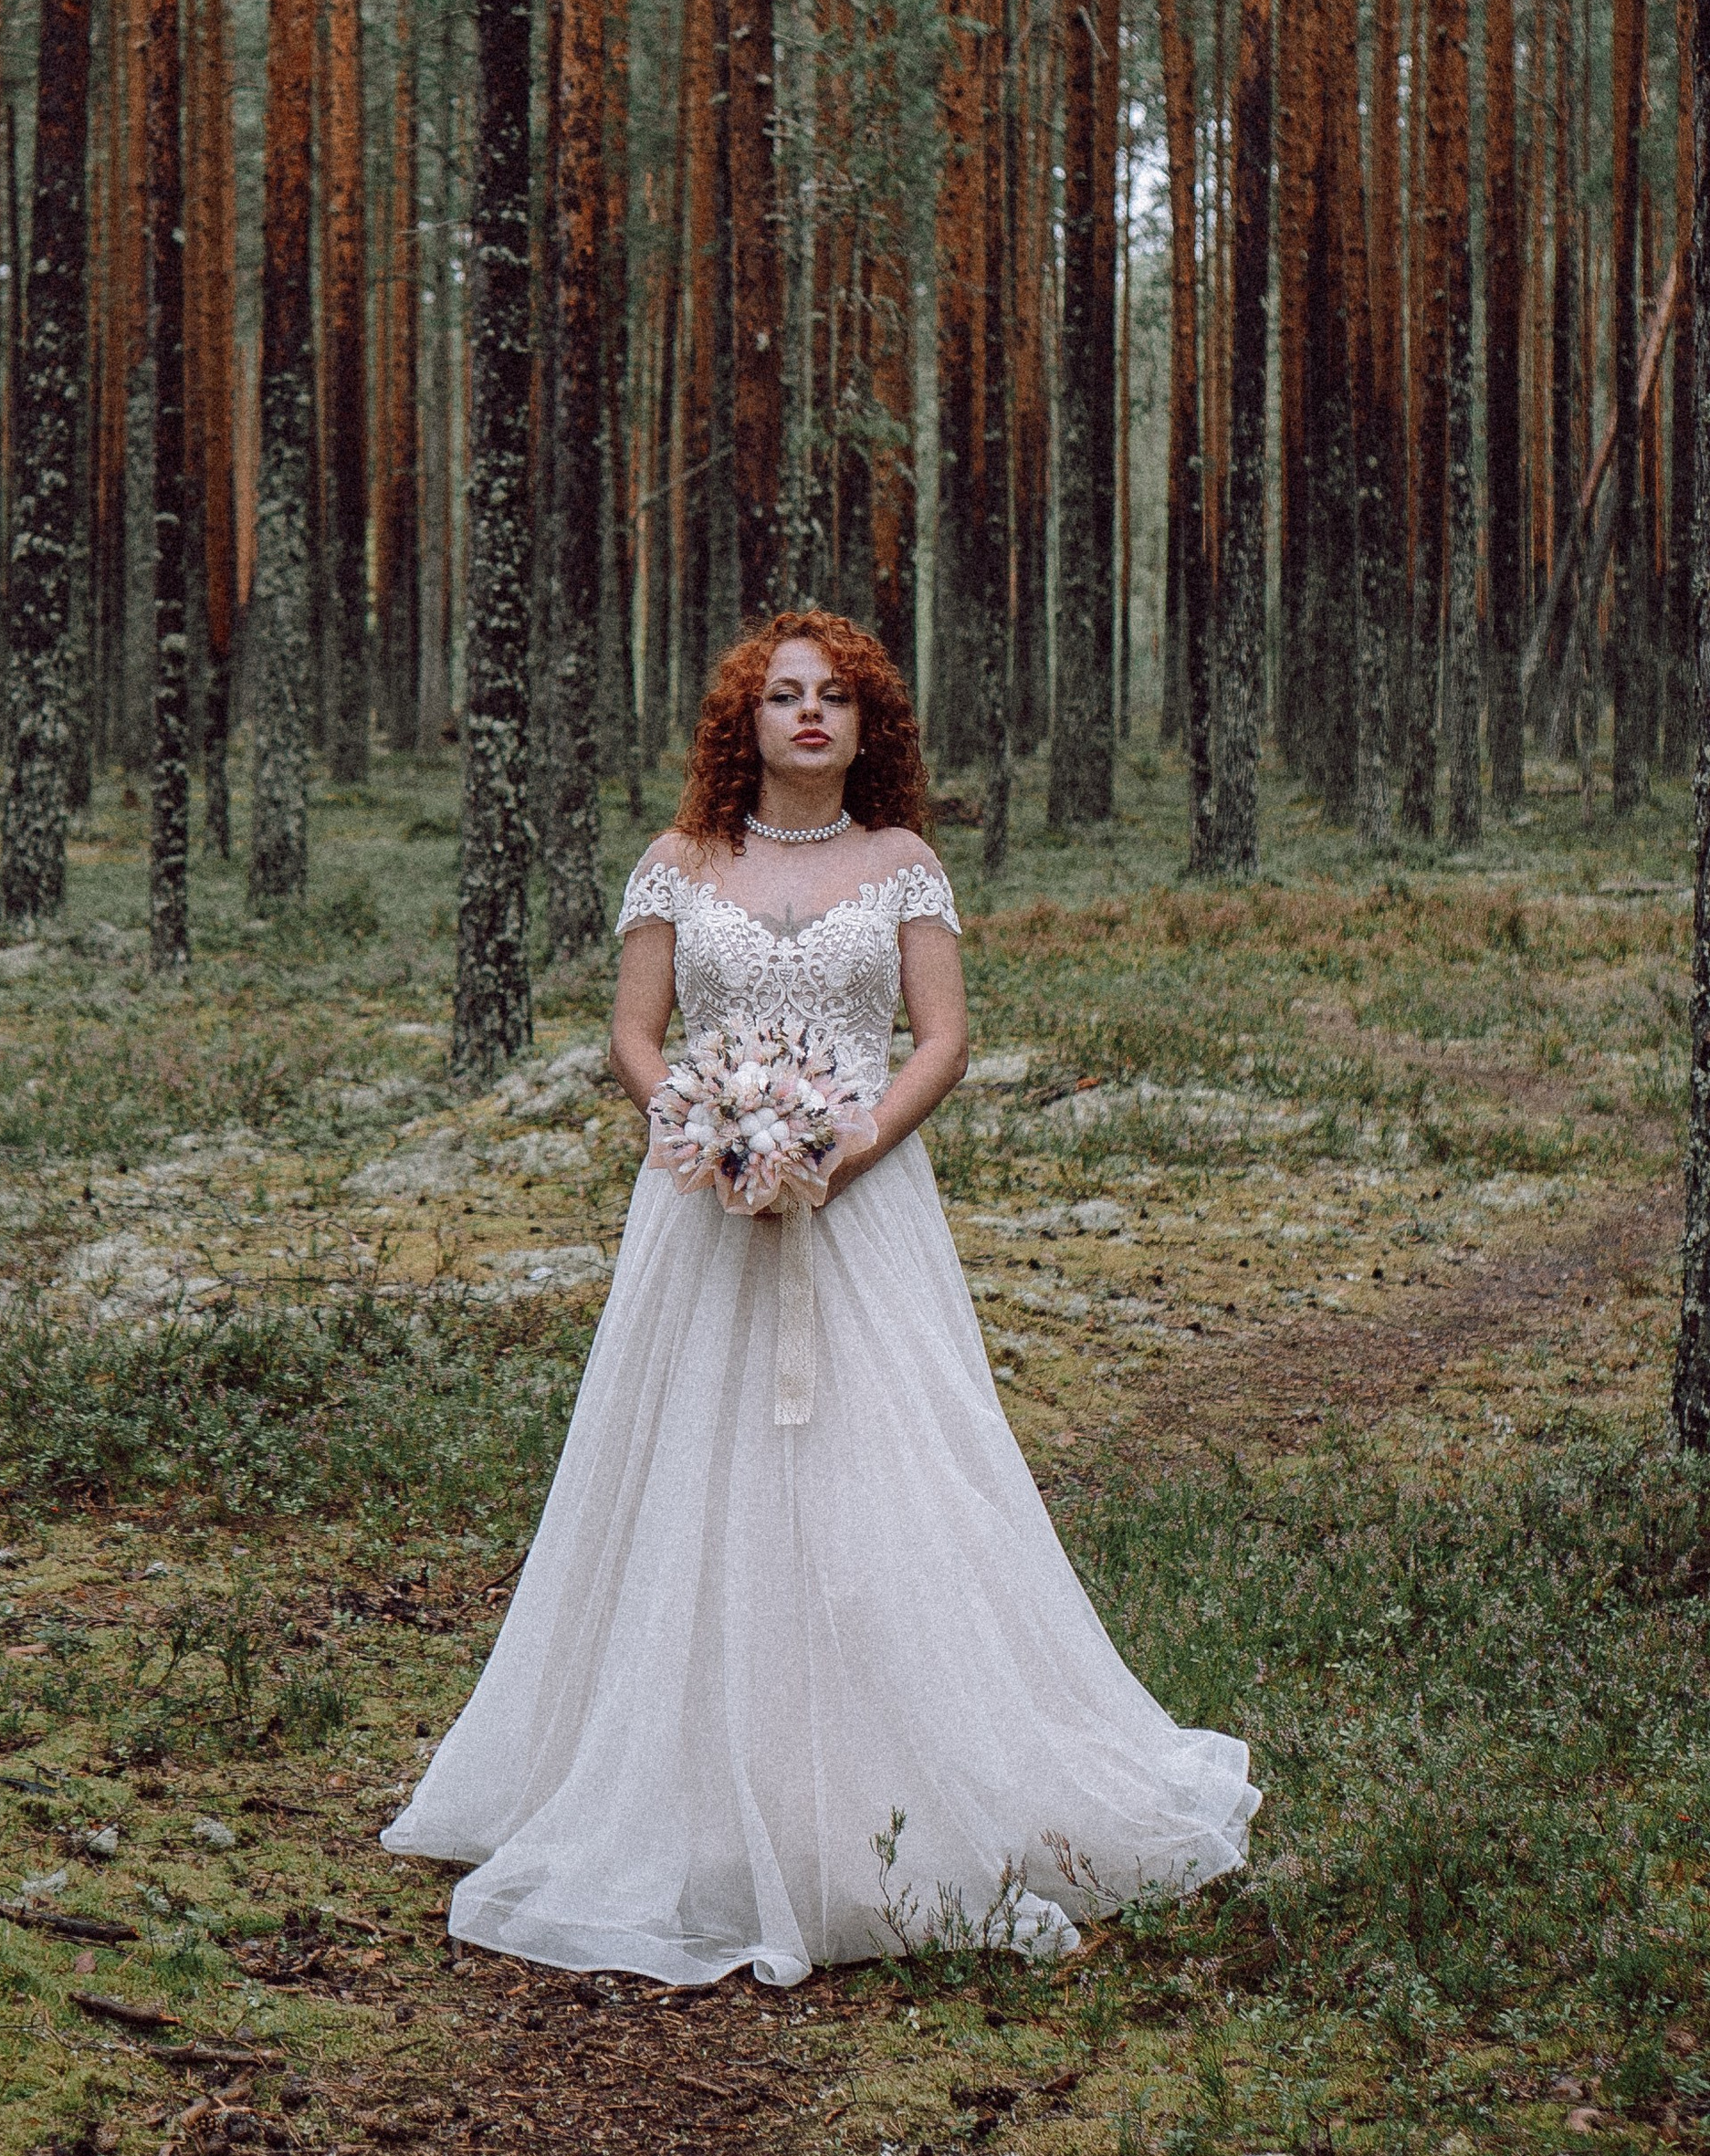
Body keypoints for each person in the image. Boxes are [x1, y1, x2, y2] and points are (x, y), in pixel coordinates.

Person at [383, 609, 1256, 1985]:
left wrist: (843, 1149)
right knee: (689, 1469)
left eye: (835, 697)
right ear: (745, 721)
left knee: (885, 1466)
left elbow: (944, 1040)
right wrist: (706, 1123)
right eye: (784, 695)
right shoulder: (678, 863)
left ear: (866, 726)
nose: (809, 715)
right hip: (702, 1212)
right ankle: (673, 1788)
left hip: (867, 1208)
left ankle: (887, 1781)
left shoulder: (904, 865)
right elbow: (633, 1032)